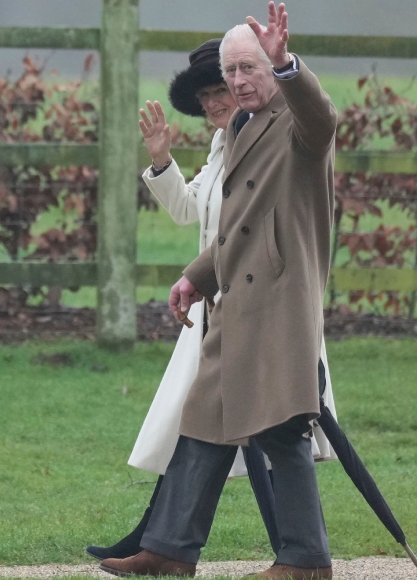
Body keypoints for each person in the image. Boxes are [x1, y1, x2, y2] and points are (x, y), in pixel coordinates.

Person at [100, 3, 339, 579]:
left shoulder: (299, 124)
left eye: (248, 69)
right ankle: (170, 550)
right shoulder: (238, 128)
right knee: (204, 420)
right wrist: (195, 276)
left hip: (280, 302)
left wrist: (288, 67)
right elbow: (237, 226)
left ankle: (306, 561)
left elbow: (323, 117)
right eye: (231, 71)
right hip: (233, 300)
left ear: (271, 67)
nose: (236, 82)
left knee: (280, 427)